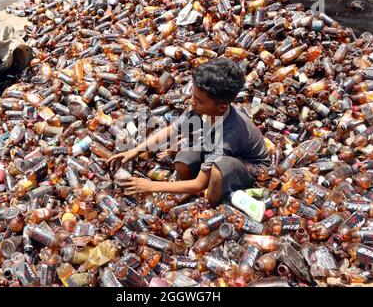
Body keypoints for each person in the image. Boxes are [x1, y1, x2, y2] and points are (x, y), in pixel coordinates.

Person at [108, 58, 270, 207]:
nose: (192, 102)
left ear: (221, 106)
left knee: (218, 169)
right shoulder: (201, 108)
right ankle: (190, 193)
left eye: (198, 100)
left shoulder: (228, 133)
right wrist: (135, 151)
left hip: (252, 167)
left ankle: (210, 204)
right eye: (193, 95)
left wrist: (150, 186)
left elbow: (199, 183)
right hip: (217, 149)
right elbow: (172, 130)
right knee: (183, 159)